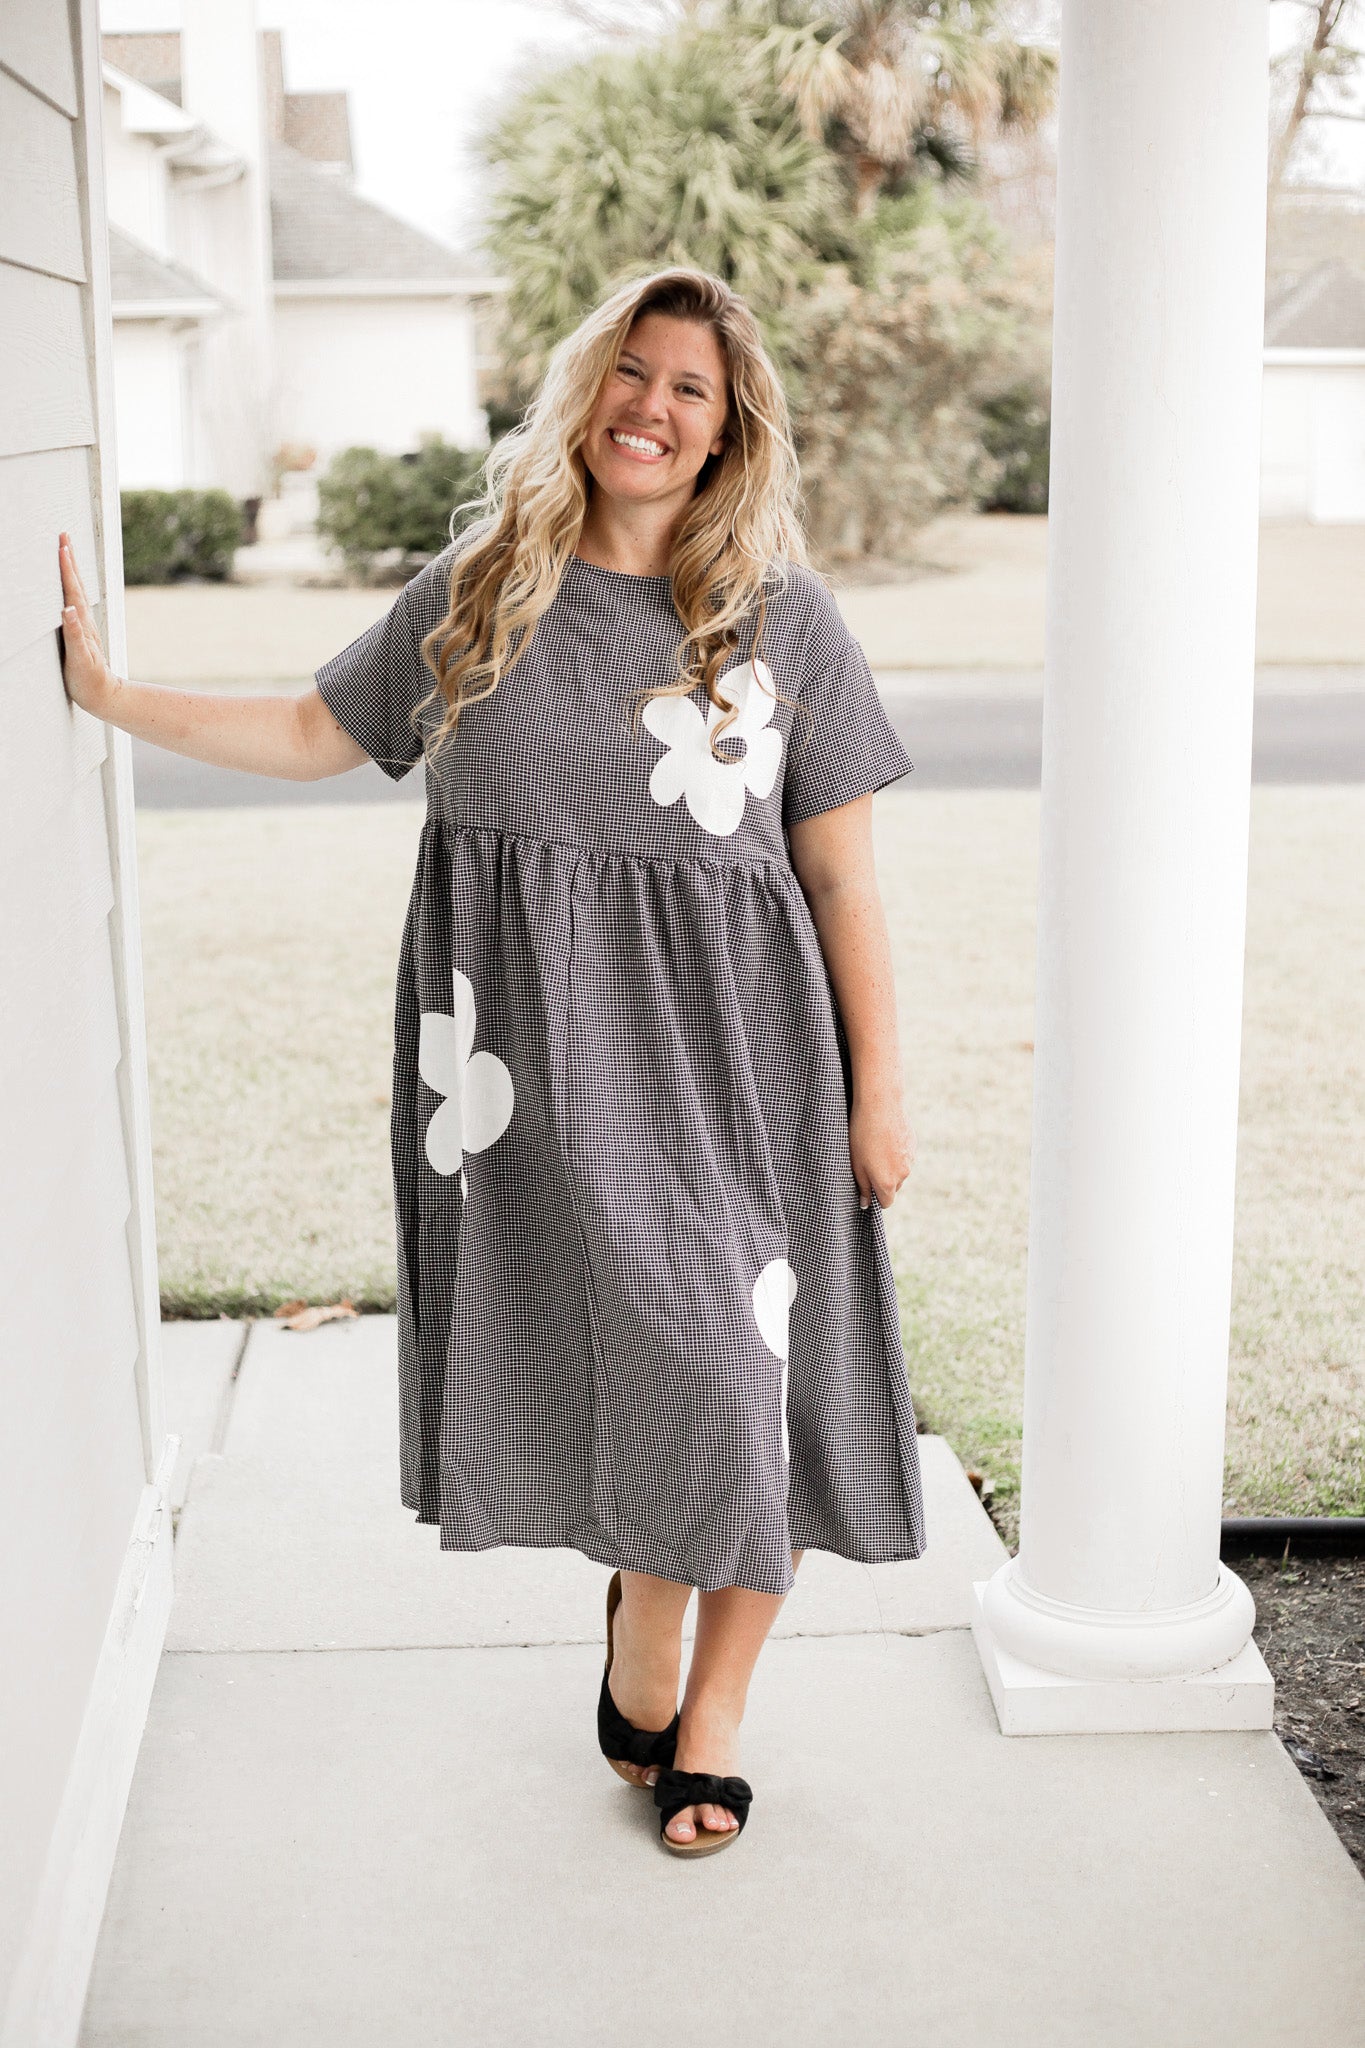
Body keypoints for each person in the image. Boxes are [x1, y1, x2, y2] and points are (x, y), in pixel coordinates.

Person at [57, 265, 925, 1860]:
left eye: (692, 393)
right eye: (634, 374)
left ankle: (704, 1714)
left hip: (747, 1067)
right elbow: (315, 735)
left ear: (729, 435)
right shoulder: (487, 589)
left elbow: (845, 877)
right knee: (663, 1367)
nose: (653, 411)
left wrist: (880, 1085)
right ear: (588, 386)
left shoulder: (780, 620)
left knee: (746, 1383)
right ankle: (642, 1606)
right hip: (548, 1072)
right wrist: (110, 696)